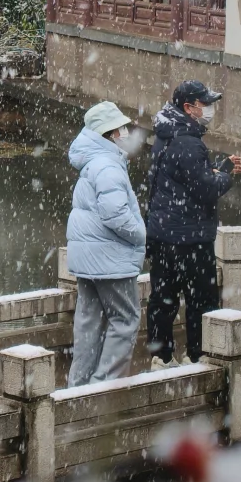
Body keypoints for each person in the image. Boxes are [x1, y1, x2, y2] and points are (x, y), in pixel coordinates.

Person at [145, 81, 241, 368]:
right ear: (189, 108)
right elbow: (205, 189)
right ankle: (198, 356)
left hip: (163, 232)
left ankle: (161, 357)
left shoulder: (167, 134)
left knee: (162, 299)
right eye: (205, 104)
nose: (210, 110)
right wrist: (226, 177)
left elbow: (187, 176)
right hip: (188, 238)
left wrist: (220, 167)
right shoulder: (189, 142)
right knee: (200, 300)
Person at [66, 101, 147, 387]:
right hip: (110, 260)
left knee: (88, 321)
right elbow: (116, 216)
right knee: (124, 319)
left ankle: (79, 386)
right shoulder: (108, 166)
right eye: (120, 129)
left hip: (88, 259)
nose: (125, 133)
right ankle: (103, 387)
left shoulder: (91, 163)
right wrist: (140, 234)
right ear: (108, 134)